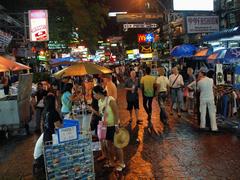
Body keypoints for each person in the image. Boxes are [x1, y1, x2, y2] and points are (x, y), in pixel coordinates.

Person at [93, 85, 125, 171]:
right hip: (105, 126)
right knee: (109, 145)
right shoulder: (100, 101)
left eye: (94, 94)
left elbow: (116, 113)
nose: (94, 96)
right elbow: (101, 115)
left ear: (99, 93)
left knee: (117, 145)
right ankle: (112, 162)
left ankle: (122, 163)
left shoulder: (110, 100)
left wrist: (116, 125)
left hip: (113, 126)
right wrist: (93, 111)